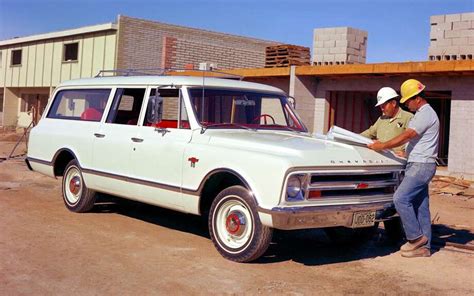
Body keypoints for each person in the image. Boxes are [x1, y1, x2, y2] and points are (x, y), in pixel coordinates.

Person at [368, 79, 439, 258]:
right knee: (421, 206)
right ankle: (425, 248)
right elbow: (419, 142)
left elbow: (408, 135)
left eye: (407, 101)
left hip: (421, 165)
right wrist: (406, 154)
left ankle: (415, 238)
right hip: (419, 162)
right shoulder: (423, 113)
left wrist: (383, 146)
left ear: (417, 98)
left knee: (400, 198)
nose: (406, 104)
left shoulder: (425, 114)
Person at [361, 87, 413, 155]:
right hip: (382, 158)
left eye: (383, 106)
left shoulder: (408, 117)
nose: (381, 109)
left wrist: (407, 153)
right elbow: (369, 133)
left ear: (393, 103)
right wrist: (352, 137)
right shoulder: (381, 119)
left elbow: (413, 139)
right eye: (380, 106)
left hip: (398, 161)